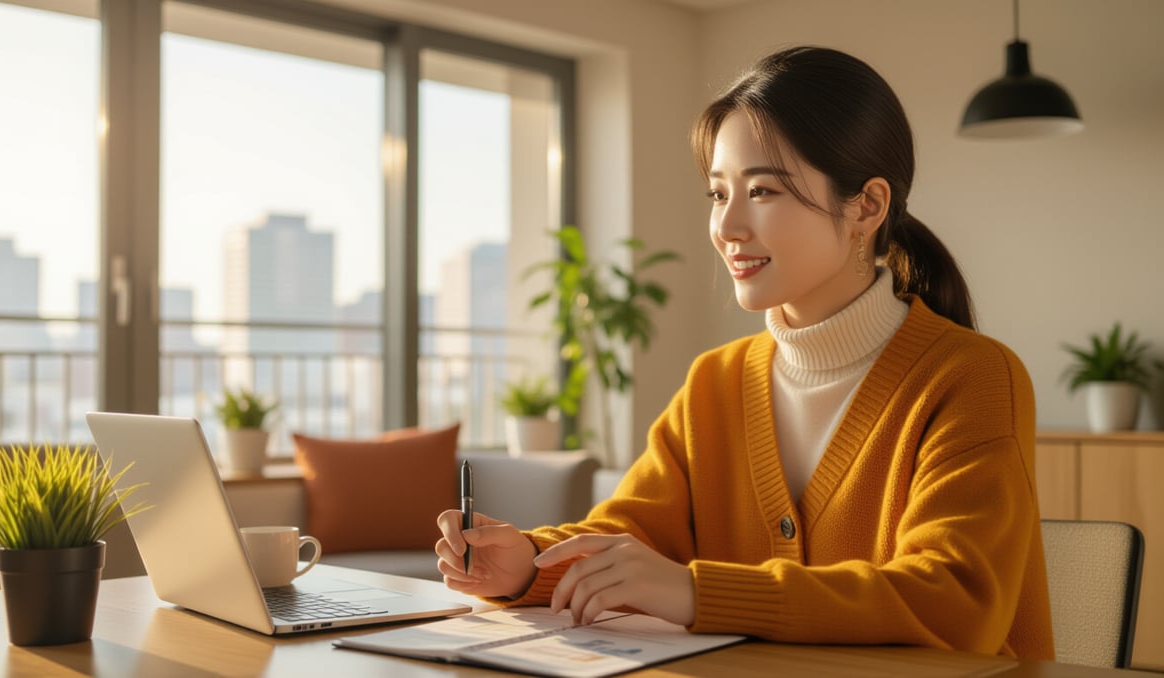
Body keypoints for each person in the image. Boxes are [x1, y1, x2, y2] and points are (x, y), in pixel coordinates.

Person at [436, 45, 1054, 660]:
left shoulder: (971, 378)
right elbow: (632, 531)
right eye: (717, 194)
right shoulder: (716, 382)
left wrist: (698, 593)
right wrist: (529, 564)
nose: (727, 228)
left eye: (762, 191)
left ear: (867, 206)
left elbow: (956, 602)